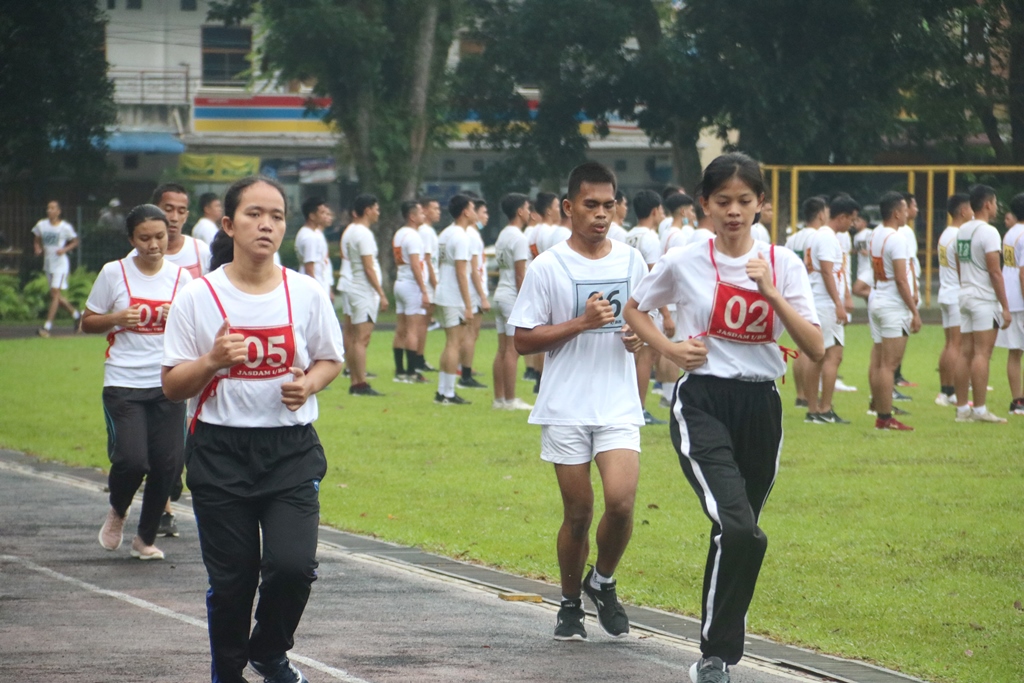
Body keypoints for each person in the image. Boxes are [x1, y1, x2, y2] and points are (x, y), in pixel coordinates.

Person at [623, 152, 822, 683]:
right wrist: (669, 346)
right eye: (723, 201)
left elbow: (817, 347)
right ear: (704, 203)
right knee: (742, 530)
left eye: (744, 201)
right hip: (704, 401)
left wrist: (771, 292)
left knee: (735, 532)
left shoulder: (784, 264)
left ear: (762, 205)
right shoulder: (686, 259)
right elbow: (635, 307)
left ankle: (717, 648)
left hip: (761, 405)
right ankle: (715, 657)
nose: (733, 212)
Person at [162, 175, 344, 683]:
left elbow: (331, 360)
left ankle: (268, 651)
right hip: (219, 451)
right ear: (228, 224)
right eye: (253, 214)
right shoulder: (197, 297)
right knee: (234, 580)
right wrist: (213, 361)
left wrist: (308, 384)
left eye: (277, 216)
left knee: (292, 567)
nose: (266, 224)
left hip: (289, 450)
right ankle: (227, 672)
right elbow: (173, 386)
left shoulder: (306, 293)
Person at [510, 161, 647, 642]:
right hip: (566, 405)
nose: (601, 214)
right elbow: (524, 341)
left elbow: (649, 326)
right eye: (590, 205)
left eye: (609, 205)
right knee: (579, 513)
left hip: (616, 402)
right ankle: (570, 603)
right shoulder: (548, 266)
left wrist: (637, 338)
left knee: (623, 503)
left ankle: (602, 581)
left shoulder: (632, 261)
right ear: (569, 207)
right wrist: (581, 323)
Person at [84, 204, 192, 562]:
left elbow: (197, 329)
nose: (154, 244)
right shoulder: (113, 273)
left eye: (160, 236)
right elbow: (88, 321)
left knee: (168, 465)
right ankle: (117, 510)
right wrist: (117, 317)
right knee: (133, 461)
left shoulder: (181, 279)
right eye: (144, 238)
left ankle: (144, 538)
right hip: (123, 382)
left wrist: (174, 314)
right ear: (132, 239)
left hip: (168, 381)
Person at [953, 184, 1012, 423]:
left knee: (964, 352)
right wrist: (1005, 306)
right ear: (987, 204)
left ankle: (961, 410)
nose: (997, 207)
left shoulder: (962, 230)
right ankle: (979, 410)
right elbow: (994, 271)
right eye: (995, 202)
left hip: (966, 294)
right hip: (982, 298)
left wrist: (966, 284)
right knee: (982, 353)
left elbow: (958, 263)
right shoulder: (989, 232)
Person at [867, 192, 922, 430]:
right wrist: (915, 311)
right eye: (905, 209)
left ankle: (880, 410)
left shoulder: (875, 234)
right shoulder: (897, 239)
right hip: (892, 304)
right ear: (896, 213)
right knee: (890, 365)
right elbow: (901, 279)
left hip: (877, 299)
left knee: (880, 361)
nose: (908, 213)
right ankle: (885, 416)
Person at [802, 195, 859, 424]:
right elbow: (827, 272)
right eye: (851, 219)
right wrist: (838, 304)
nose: (852, 225)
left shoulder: (824, 236)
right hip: (825, 304)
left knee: (819, 356)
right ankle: (822, 409)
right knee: (831, 356)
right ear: (842, 217)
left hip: (821, 302)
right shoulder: (827, 238)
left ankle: (814, 410)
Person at [625, 189, 675, 425]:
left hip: (631, 300)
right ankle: (640, 409)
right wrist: (666, 314)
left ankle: (631, 405)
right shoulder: (651, 237)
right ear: (655, 211)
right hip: (646, 305)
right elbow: (657, 277)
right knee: (648, 355)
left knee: (635, 356)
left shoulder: (629, 235)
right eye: (662, 210)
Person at [341, 194, 388, 396]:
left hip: (353, 287)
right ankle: (360, 383)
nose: (378, 213)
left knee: (353, 338)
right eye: (376, 209)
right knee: (362, 338)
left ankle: (355, 380)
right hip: (363, 291)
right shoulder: (364, 234)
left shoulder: (350, 231)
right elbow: (369, 267)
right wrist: (381, 293)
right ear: (368, 210)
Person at [433, 195, 477, 404]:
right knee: (454, 343)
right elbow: (462, 272)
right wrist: (469, 305)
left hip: (443, 292)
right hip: (453, 295)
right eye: (473, 208)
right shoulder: (461, 236)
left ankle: (443, 391)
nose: (476, 212)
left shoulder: (445, 233)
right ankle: (448, 393)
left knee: (450, 342)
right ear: (466, 212)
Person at [491, 193, 533, 411]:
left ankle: (499, 398)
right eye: (527, 208)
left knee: (502, 349)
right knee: (512, 351)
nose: (529, 212)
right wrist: (524, 302)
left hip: (499, 294)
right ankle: (510, 399)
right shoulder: (519, 237)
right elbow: (520, 275)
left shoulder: (502, 235)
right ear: (519, 211)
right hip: (511, 297)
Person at [787, 196, 825, 408]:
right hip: (811, 292)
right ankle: (810, 395)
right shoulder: (818, 236)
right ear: (821, 214)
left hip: (793, 293)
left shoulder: (794, 237)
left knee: (798, 347)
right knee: (812, 348)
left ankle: (800, 393)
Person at [935, 193, 971, 406]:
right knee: (957, 346)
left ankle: (946, 391)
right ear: (963, 211)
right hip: (956, 293)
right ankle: (954, 392)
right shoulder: (960, 235)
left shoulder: (945, 234)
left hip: (945, 292)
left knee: (949, 344)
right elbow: (962, 266)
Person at [391, 200, 431, 383]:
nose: (424, 215)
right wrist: (424, 290)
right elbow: (416, 264)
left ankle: (399, 371)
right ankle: (412, 371)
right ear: (412, 216)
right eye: (421, 213)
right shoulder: (414, 236)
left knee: (401, 329)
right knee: (412, 330)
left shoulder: (399, 234)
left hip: (400, 282)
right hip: (411, 285)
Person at [31, 200, 81, 337]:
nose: (49, 210)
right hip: (48, 264)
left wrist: (64, 249)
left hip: (60, 265)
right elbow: (36, 238)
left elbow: (75, 241)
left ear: (58, 211)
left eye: (53, 208)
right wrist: (37, 247)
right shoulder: (42, 225)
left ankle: (47, 327)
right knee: (55, 296)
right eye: (48, 208)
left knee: (54, 293)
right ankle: (77, 315)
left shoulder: (64, 227)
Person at [459, 199, 491, 389]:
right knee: (470, 334)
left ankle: (465, 370)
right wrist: (482, 296)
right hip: (473, 291)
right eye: (483, 212)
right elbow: (472, 269)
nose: (486, 217)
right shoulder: (471, 235)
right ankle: (465, 374)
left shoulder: (473, 234)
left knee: (471, 334)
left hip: (474, 289)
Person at [997, 193, 1024, 415]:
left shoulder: (1010, 233)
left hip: (1010, 298)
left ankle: (1017, 401)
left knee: (1014, 352)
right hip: (1021, 300)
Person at [149, 183, 211, 280]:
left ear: (186, 216)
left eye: (181, 212)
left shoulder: (201, 251)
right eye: (168, 210)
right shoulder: (140, 254)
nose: (174, 218)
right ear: (153, 211)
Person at [416, 198, 442, 372]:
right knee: (422, 323)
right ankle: (418, 358)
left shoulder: (429, 231)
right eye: (434, 208)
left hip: (430, 281)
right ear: (424, 210)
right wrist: (435, 284)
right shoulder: (425, 231)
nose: (438, 212)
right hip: (428, 281)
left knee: (424, 323)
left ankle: (419, 357)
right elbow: (426, 259)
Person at [294, 197, 335, 298]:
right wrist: (316, 292)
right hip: (315, 286)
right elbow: (309, 268)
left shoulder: (313, 233)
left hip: (321, 282)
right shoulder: (309, 237)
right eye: (322, 213)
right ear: (312, 216)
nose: (325, 216)